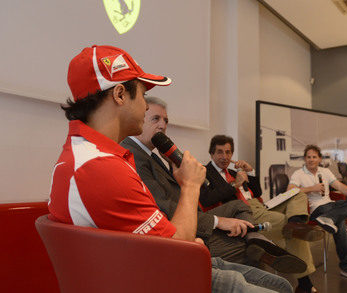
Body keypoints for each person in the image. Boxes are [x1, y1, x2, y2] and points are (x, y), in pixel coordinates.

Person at [48, 45, 293, 293]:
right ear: (120, 94)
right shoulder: (100, 167)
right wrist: (190, 186)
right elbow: (178, 251)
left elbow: (165, 238)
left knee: (279, 284)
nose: (145, 107)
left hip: (150, 267)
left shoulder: (88, 156)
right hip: (161, 278)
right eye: (143, 95)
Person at [121, 97, 303, 272]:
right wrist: (219, 218)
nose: (163, 125)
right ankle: (263, 244)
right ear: (140, 119)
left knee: (244, 212)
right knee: (250, 245)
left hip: (230, 210)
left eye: (166, 120)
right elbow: (178, 204)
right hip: (182, 229)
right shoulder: (135, 155)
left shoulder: (154, 156)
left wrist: (249, 173)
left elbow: (256, 191)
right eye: (156, 119)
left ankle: (258, 236)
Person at [201, 135, 325, 293]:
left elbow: (257, 192)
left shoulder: (233, 171)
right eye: (220, 152)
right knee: (284, 223)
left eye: (228, 152)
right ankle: (305, 284)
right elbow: (206, 200)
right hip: (243, 211)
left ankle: (296, 223)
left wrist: (250, 171)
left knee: (297, 194)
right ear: (211, 153)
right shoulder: (205, 172)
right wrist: (234, 184)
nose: (225, 157)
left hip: (261, 205)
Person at [288, 144, 347, 281]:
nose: (311, 160)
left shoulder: (325, 172)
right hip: (317, 210)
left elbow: (340, 186)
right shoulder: (298, 174)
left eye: (314, 157)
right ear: (305, 159)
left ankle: (329, 219)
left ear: (319, 159)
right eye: (308, 157)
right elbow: (290, 191)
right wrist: (312, 188)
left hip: (331, 207)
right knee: (339, 221)